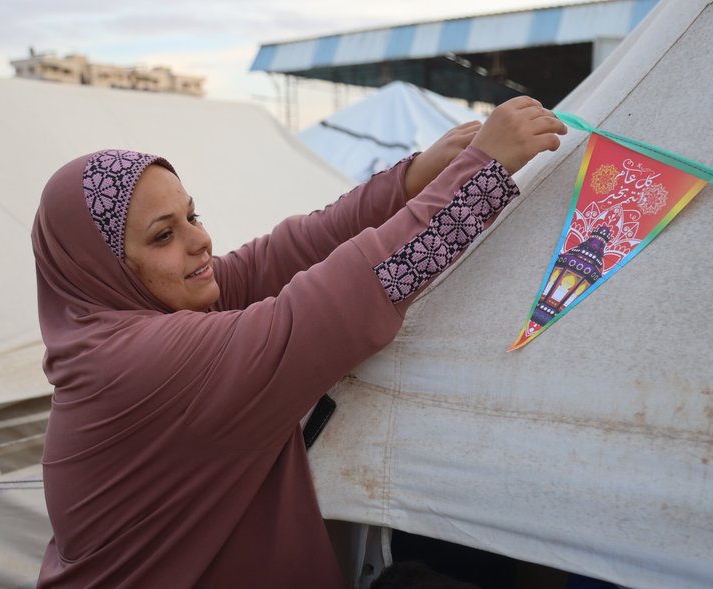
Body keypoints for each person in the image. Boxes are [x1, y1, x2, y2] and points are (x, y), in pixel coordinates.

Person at [31, 96, 566, 588]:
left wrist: (411, 180)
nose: (201, 240)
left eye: (193, 215)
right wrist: (480, 178)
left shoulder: (117, 321)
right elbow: (334, 304)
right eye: (164, 235)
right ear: (99, 267)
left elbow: (277, 257)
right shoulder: (140, 364)